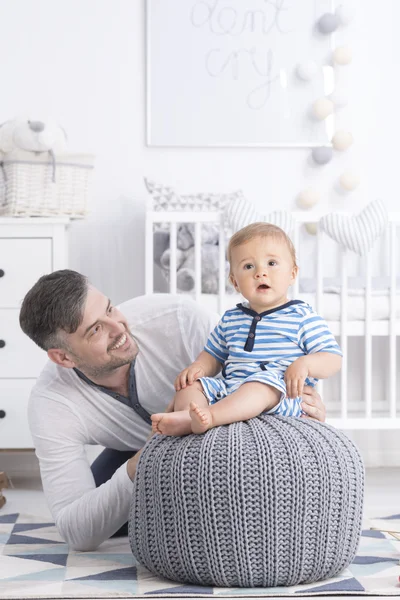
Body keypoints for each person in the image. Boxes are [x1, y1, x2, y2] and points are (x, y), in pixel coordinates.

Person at [20, 269, 327, 551]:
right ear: (63, 358)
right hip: (139, 450)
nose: (120, 328)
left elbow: (258, 380)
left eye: (110, 308)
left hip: (219, 436)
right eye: (96, 330)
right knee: (101, 512)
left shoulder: (177, 319)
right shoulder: (51, 404)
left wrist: (298, 406)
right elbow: (77, 531)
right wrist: (147, 459)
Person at [152, 222, 342, 436]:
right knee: (190, 387)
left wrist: (305, 364)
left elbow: (333, 358)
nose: (260, 272)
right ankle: (188, 418)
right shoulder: (231, 318)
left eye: (271, 263)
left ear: (292, 273)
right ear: (235, 282)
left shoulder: (302, 317)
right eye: (248, 266)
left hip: (279, 393)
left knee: (259, 386)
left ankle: (211, 417)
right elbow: (214, 355)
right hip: (229, 389)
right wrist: (199, 368)